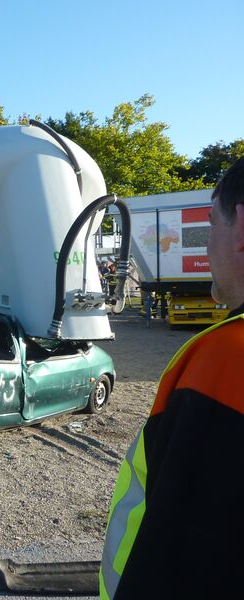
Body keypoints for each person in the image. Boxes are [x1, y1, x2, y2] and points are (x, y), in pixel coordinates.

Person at [100, 156, 244, 599]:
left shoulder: (225, 360)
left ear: (242, 227)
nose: (207, 248)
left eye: (210, 226)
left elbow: (181, 547)